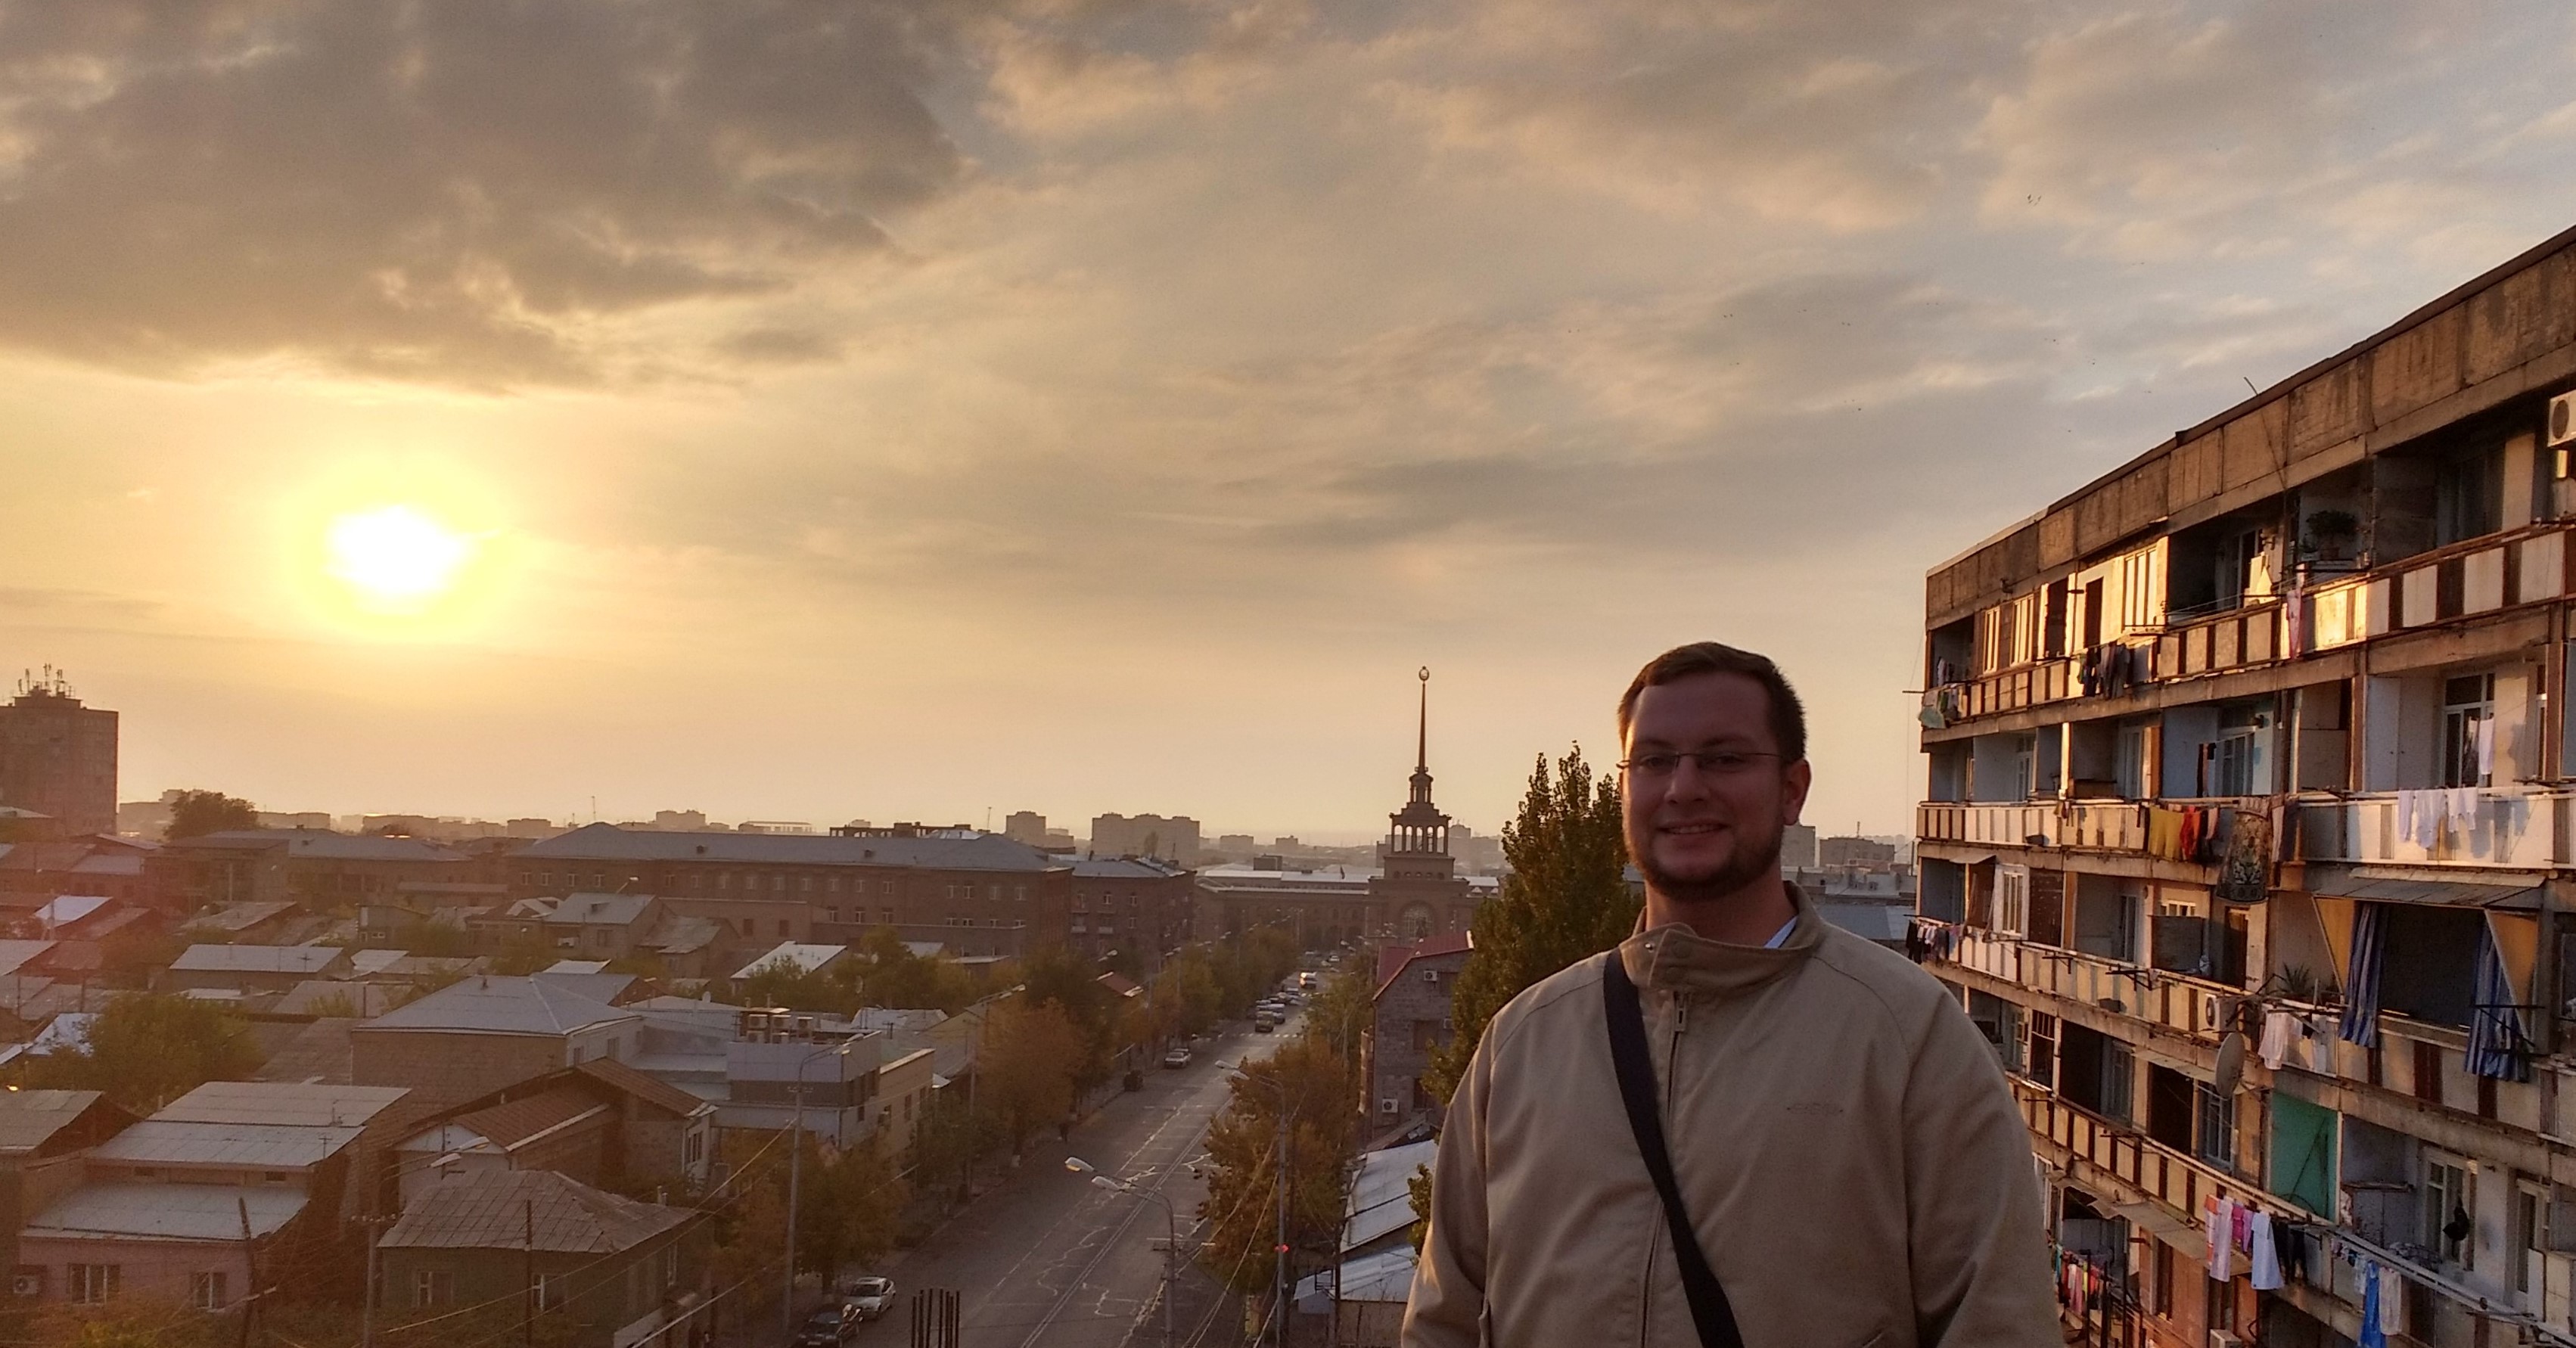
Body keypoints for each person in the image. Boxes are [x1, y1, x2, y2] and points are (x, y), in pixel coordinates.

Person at [1402, 641, 2057, 1347]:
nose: (1684, 788)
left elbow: (1996, 1322)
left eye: (1723, 758)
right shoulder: (1526, 1043)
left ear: (1792, 789)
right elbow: (1445, 1319)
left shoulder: (1906, 1038)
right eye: (1653, 760)